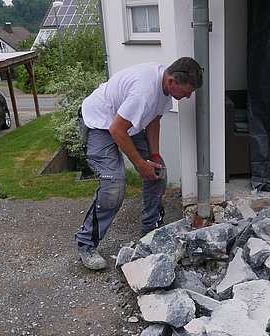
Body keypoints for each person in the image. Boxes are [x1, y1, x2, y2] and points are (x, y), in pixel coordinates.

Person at [75, 57, 203, 270]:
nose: (189, 96)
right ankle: (86, 243)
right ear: (171, 81)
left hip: (124, 123)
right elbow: (117, 130)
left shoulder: (164, 88)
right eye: (187, 91)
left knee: (157, 171)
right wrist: (138, 163)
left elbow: (153, 121)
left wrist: (153, 156)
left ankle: (151, 230)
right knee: (113, 185)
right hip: (99, 122)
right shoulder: (144, 92)